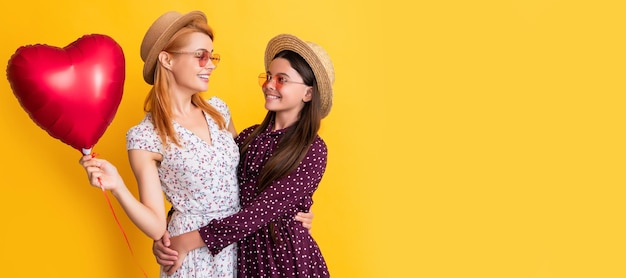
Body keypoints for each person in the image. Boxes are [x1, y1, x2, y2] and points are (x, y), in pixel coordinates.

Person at [79, 11, 312, 278]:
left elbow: (249, 175)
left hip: (242, 243)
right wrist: (118, 186)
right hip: (192, 255)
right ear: (167, 59)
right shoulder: (145, 136)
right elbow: (156, 226)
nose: (210, 64)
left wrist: (297, 204)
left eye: (212, 56)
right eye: (200, 55)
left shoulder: (218, 112)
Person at [154, 33, 335, 278]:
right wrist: (171, 230)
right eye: (269, 76)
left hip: (285, 259)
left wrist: (186, 241)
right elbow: (210, 184)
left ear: (308, 94)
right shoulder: (249, 138)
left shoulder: (312, 149)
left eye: (282, 79)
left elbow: (260, 211)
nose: (269, 85)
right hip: (245, 255)